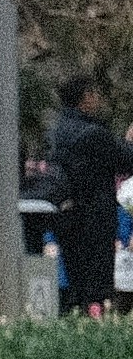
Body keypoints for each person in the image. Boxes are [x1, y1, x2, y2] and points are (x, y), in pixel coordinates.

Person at [55, 74, 128, 317]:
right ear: (86, 98)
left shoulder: (57, 131)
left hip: (66, 214)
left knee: (75, 277)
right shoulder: (94, 134)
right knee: (97, 285)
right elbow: (125, 159)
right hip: (95, 218)